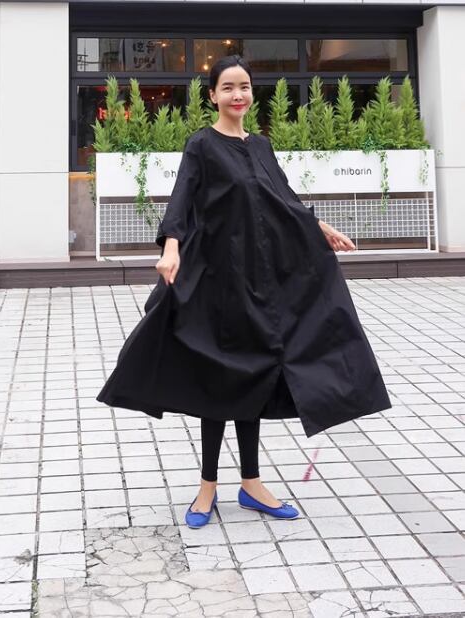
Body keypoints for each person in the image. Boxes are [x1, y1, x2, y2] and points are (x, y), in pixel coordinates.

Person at [97, 55, 392, 528]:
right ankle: (206, 488)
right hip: (216, 283)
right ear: (213, 95)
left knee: (254, 376)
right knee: (220, 381)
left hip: (259, 282)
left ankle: (251, 484)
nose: (238, 95)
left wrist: (319, 227)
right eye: (228, 87)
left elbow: (283, 200)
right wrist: (170, 248)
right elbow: (181, 200)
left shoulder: (262, 146)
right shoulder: (202, 145)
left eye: (245, 87)